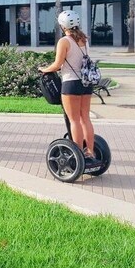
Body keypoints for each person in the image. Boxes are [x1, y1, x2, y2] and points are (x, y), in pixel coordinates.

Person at [40, 10, 96, 161]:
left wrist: (43, 69)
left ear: (62, 25)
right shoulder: (84, 39)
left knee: (74, 120)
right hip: (86, 83)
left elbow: (58, 64)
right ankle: (90, 151)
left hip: (71, 84)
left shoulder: (64, 41)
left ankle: (77, 155)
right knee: (85, 118)